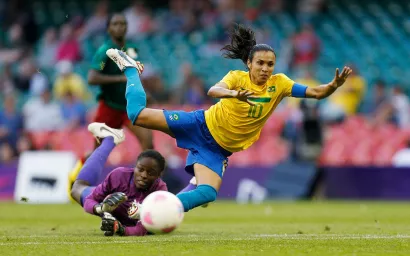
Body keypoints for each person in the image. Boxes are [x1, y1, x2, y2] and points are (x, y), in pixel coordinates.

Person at [106, 23, 352, 213]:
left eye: (270, 64)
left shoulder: (280, 84)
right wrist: (234, 94)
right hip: (199, 125)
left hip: (218, 150)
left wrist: (333, 85)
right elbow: (214, 91)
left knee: (208, 193)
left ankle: (151, 211)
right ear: (249, 63)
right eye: (261, 63)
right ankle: (131, 69)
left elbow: (317, 93)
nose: (266, 69)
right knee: (136, 115)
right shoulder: (236, 77)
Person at [68, 13, 153, 196]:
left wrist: (145, 91)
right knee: (97, 154)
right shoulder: (104, 51)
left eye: (123, 23)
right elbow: (92, 78)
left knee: (148, 142)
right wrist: (120, 78)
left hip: (129, 108)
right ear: (108, 28)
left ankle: (143, 189)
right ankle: (75, 179)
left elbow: (135, 74)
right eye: (115, 24)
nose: (120, 27)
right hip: (109, 108)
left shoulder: (132, 50)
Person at [70, 122, 167, 236]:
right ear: (135, 167)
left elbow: (142, 229)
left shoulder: (159, 193)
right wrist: (100, 208)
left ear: (158, 176)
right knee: (76, 189)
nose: (144, 175)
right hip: (109, 209)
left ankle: (109, 140)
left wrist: (119, 229)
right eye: (140, 169)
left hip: (126, 221)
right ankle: (109, 140)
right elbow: (90, 201)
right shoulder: (119, 175)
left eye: (151, 173)